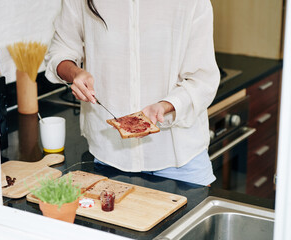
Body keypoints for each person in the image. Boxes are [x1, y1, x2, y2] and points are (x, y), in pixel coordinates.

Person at [45, 0, 220, 186]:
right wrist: (76, 73)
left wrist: (165, 106)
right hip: (109, 155)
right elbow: (60, 51)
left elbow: (203, 80)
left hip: (180, 159)